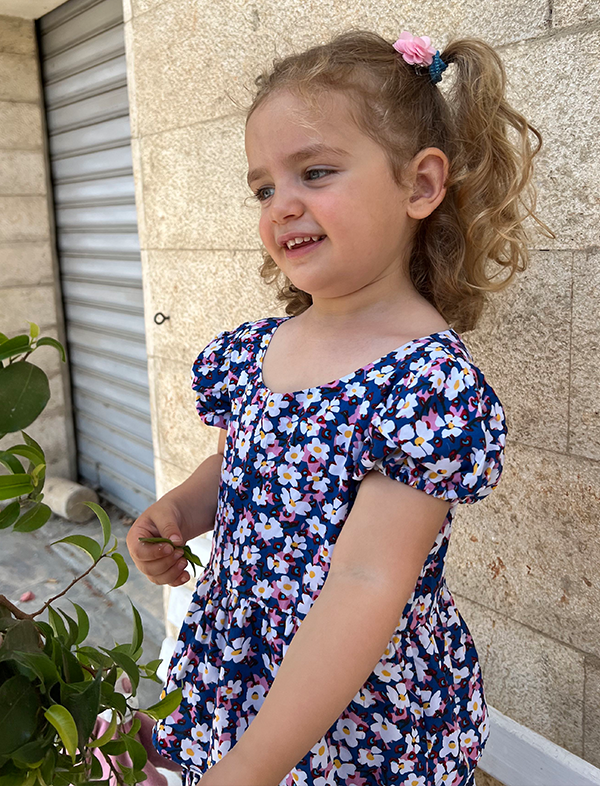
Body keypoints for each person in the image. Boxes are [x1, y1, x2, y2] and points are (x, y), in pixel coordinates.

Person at [127, 28, 553, 786]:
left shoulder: (422, 386)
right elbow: (245, 460)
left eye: (315, 172)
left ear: (420, 185)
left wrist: (253, 763)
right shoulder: (260, 349)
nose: (281, 205)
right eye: (264, 188)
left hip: (355, 706)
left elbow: (365, 585)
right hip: (245, 666)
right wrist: (181, 510)